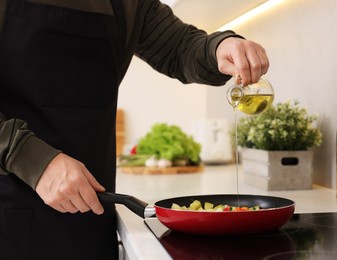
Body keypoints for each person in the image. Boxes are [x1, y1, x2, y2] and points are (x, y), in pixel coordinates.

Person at [0, 0, 269, 259]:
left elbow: (179, 47)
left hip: (91, 217)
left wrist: (219, 46)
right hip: (9, 215)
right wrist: (33, 159)